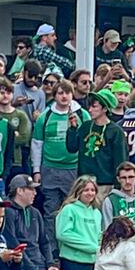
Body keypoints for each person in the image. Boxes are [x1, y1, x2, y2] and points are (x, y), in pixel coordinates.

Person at [53, 175, 102, 270]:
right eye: (86, 190)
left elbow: (99, 235)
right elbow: (63, 234)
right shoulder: (69, 210)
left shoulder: (96, 212)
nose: (90, 193)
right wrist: (91, 247)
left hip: (92, 264)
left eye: (92, 190)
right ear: (78, 191)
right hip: (73, 263)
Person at [32, 82, 84, 216]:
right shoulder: (45, 117)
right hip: (50, 168)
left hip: (73, 168)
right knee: (51, 210)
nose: (64, 96)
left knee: (72, 209)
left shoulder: (83, 115)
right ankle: (51, 237)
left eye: (67, 93)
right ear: (54, 96)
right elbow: (37, 144)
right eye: (60, 93)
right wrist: (36, 170)